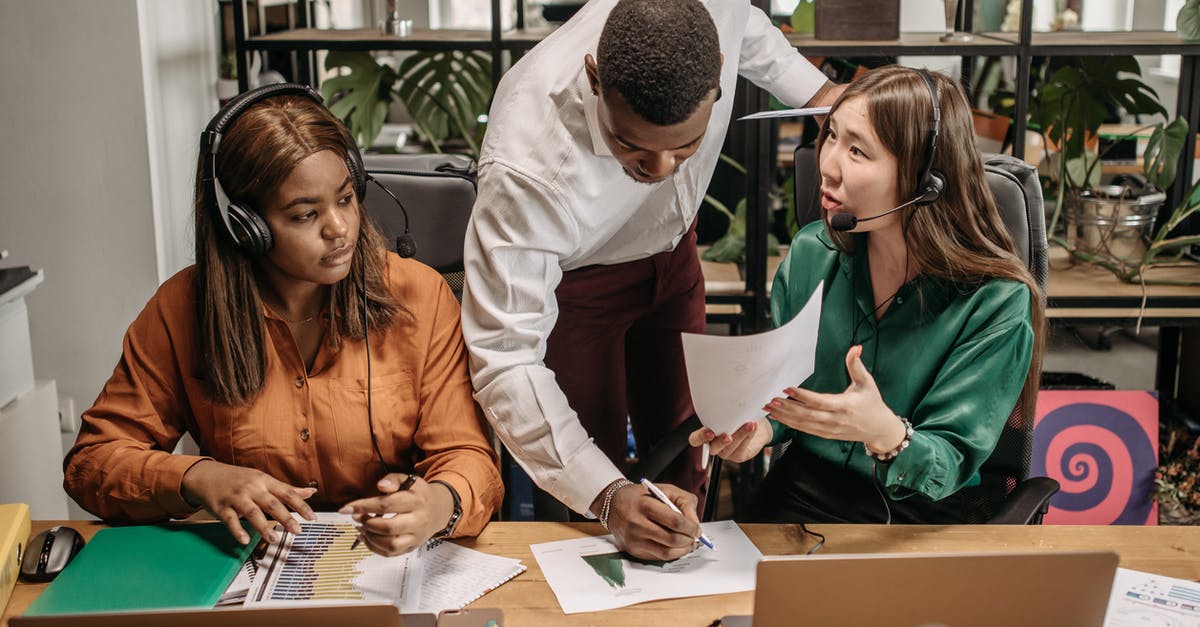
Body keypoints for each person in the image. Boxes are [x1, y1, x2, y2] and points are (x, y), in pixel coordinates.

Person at [461, 0, 843, 560]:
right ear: (595, 79)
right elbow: (506, 358)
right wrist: (609, 495)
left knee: (692, 445)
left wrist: (819, 95)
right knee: (599, 478)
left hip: (676, 258)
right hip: (577, 287)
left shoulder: (717, 10)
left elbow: (747, 29)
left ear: (715, 76)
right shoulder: (525, 162)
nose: (660, 171)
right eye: (631, 147)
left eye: (684, 147)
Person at [63, 85, 503, 555]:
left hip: (388, 565)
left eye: (347, 199)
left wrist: (436, 504)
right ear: (244, 226)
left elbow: (468, 456)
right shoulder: (182, 309)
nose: (338, 228)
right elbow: (93, 463)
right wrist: (197, 477)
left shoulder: (419, 295)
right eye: (305, 214)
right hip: (248, 564)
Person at [690, 65, 1046, 523]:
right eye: (832, 136)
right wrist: (758, 427)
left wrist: (885, 433)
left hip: (922, 513)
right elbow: (787, 391)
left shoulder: (995, 301)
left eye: (858, 150)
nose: (828, 165)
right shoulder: (811, 254)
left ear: (925, 179)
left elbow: (951, 458)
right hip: (804, 493)